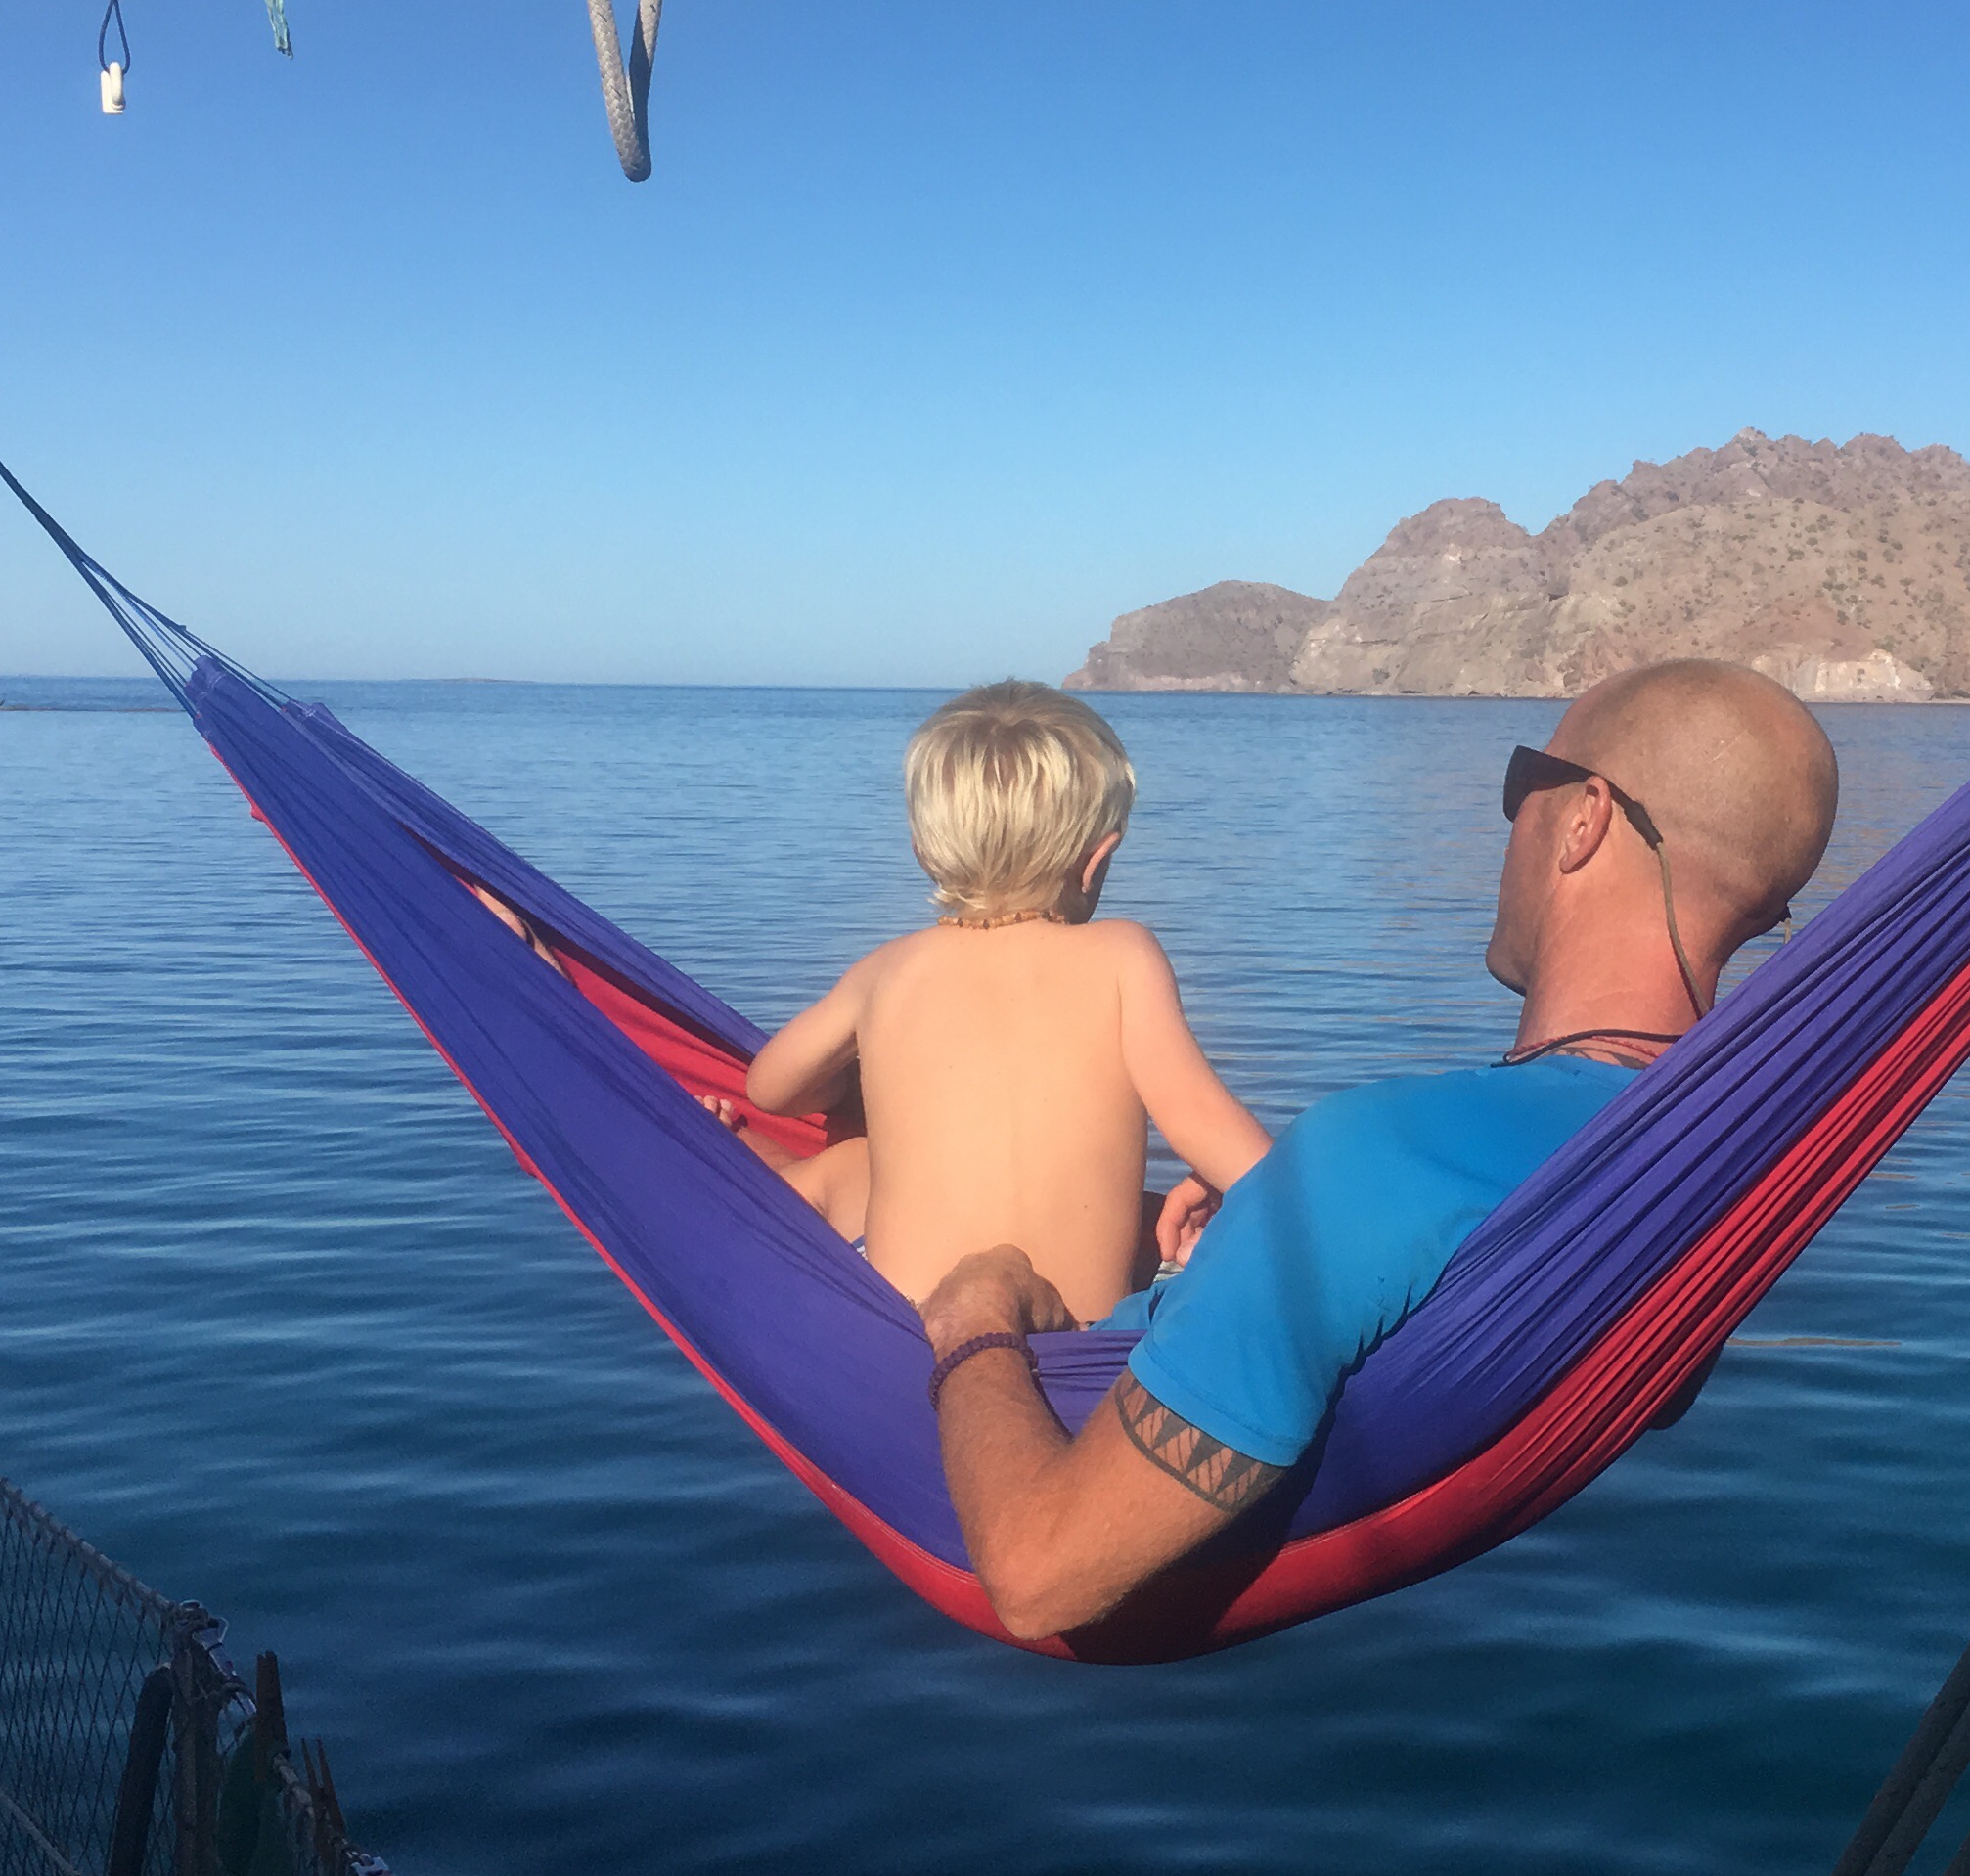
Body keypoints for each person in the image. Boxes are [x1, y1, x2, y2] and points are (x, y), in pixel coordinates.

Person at [917, 658, 1839, 1641]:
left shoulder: (1372, 1159)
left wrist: (978, 1309)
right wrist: (1248, 1246)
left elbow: (1040, 1574)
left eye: (1521, 785)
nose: (1507, 826)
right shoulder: (1712, 1159)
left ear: (1585, 820)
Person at [737, 683, 1273, 1318]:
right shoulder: (1123, 955)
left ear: (923, 853)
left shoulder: (887, 971)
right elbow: (1201, 1120)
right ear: (1097, 859)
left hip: (910, 1327)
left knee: (853, 1159)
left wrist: (854, 1082)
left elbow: (769, 1089)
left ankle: (734, 1159)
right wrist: (1279, 1196)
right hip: (1076, 1335)